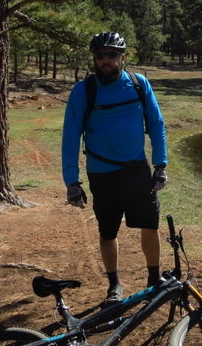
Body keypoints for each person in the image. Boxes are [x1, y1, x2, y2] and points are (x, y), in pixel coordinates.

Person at [62, 31, 168, 303]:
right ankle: (114, 285)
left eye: (111, 55)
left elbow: (155, 124)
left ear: (122, 57)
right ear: (95, 59)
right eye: (100, 56)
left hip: (136, 170)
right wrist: (71, 182)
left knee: (150, 224)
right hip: (102, 173)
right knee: (107, 230)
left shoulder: (137, 84)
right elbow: (71, 135)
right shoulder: (84, 91)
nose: (105, 61)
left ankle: (154, 279)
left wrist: (161, 164)